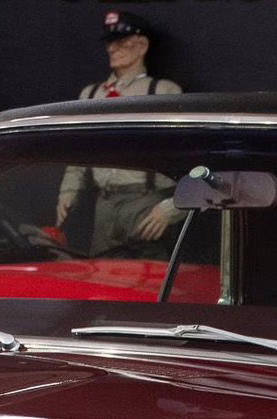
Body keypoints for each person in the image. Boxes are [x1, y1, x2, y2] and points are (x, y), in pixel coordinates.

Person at [55, 12, 186, 256]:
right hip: (103, 205)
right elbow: (79, 152)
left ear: (143, 45)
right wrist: (68, 190)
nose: (113, 48)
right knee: (102, 275)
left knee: (152, 279)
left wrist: (173, 207)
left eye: (122, 40)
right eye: (110, 42)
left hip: (146, 202)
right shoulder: (92, 95)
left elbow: (188, 158)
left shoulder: (163, 93)